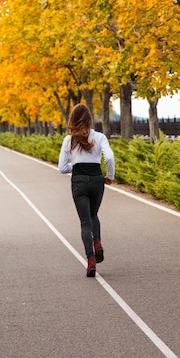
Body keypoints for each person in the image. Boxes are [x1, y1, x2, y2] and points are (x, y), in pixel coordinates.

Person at [58, 103, 115, 277]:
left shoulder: (69, 140)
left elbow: (61, 167)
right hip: (97, 179)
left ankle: (90, 260)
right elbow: (110, 157)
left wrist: (74, 168)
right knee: (93, 214)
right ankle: (97, 242)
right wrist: (110, 176)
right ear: (90, 119)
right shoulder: (99, 137)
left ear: (72, 120)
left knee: (85, 222)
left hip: (79, 181)